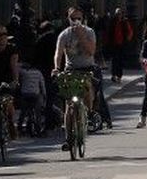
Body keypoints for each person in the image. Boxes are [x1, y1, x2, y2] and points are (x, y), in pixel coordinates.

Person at [54, 8, 99, 148]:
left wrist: (81, 37)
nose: (76, 21)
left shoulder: (89, 32)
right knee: (69, 103)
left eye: (79, 18)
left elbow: (91, 51)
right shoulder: (64, 35)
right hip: (71, 69)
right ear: (68, 19)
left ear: (83, 19)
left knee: (87, 88)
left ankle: (90, 113)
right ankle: (68, 137)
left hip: (87, 68)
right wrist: (56, 68)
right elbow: (58, 53)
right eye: (73, 19)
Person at [16, 57, 47, 134]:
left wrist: (22, 64)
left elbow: (16, 67)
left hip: (25, 94)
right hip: (35, 94)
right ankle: (38, 129)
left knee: (23, 111)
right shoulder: (39, 73)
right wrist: (44, 95)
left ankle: (19, 127)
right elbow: (42, 85)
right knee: (38, 112)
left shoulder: (23, 72)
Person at [107, 8, 134, 83]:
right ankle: (113, 75)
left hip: (122, 44)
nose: (118, 15)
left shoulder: (125, 22)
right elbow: (109, 32)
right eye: (117, 14)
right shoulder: (112, 21)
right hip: (114, 44)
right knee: (114, 60)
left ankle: (119, 76)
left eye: (120, 13)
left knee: (120, 60)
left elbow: (129, 32)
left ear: (122, 14)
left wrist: (127, 40)